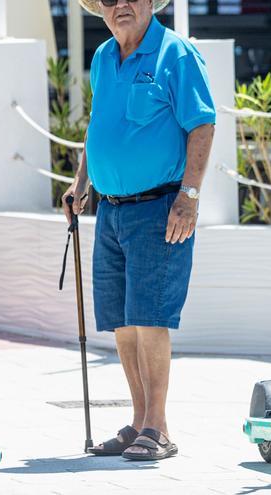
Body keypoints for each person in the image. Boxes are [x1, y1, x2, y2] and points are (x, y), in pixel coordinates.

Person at [62, 0, 216, 461]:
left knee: (151, 318)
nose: (120, 5)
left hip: (159, 207)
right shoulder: (103, 58)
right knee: (123, 321)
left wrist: (189, 197)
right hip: (110, 210)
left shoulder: (177, 54)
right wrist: (80, 184)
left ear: (150, 3)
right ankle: (138, 422)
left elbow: (202, 125)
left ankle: (159, 428)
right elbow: (98, 127)